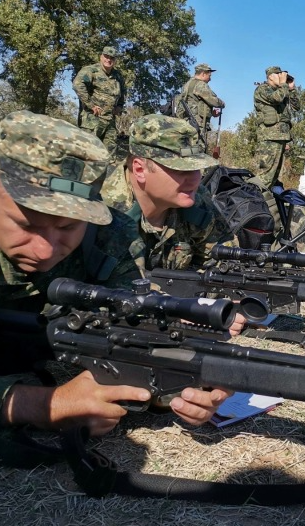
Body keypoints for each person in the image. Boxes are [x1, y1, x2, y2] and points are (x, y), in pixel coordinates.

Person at [0, 111, 226, 436]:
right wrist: (42, 404)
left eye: (67, 227)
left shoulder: (110, 234)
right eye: (26, 225)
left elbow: (140, 327)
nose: (45, 249)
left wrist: (195, 379)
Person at [101, 114, 238, 271]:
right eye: (180, 169)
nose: (195, 179)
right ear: (139, 169)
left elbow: (224, 264)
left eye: (196, 168)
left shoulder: (197, 201)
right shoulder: (100, 210)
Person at [72, 46, 127, 160]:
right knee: (86, 153)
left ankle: (106, 176)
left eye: (112, 58)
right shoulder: (91, 70)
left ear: (115, 60)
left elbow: (123, 92)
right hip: (92, 120)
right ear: (101, 57)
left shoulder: (118, 76)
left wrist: (120, 106)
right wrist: (90, 105)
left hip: (110, 121)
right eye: (106, 56)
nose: (108, 60)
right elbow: (77, 84)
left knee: (110, 156)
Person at [252, 66, 299, 187]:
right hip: (268, 137)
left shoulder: (283, 91)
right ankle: (251, 199)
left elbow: (297, 106)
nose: (281, 77)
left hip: (281, 137)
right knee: (265, 174)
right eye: (279, 74)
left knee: (274, 176)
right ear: (270, 76)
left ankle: (264, 202)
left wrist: (292, 89)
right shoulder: (262, 89)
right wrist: (283, 85)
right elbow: (276, 98)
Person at [177, 63, 225, 149]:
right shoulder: (200, 85)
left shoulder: (187, 84)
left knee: (187, 149)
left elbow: (196, 103)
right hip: (197, 124)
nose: (210, 79)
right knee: (198, 149)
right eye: (209, 75)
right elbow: (213, 100)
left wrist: (211, 111)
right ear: (203, 74)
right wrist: (222, 104)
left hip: (186, 122)